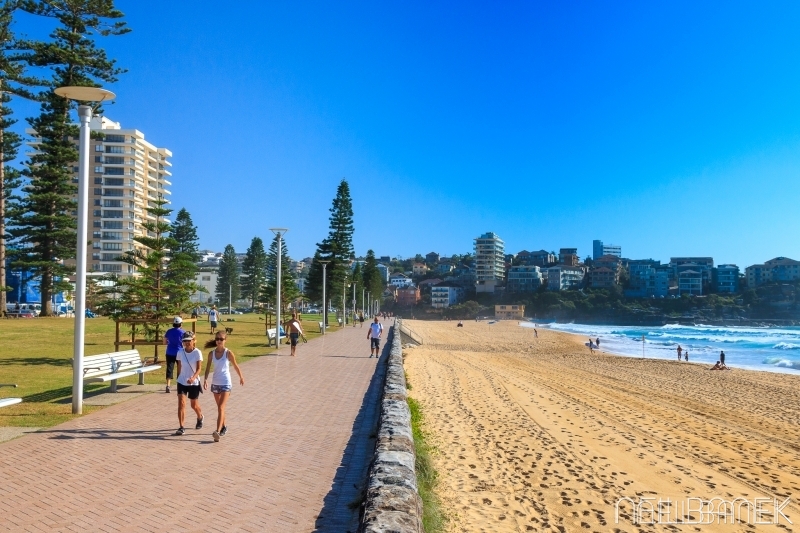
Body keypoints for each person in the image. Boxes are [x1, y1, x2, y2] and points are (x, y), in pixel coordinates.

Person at [203, 332, 244, 442]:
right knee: (220, 408)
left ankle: (217, 431)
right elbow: (207, 368)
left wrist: (241, 377)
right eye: (217, 339)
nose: (219, 341)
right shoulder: (211, 353)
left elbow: (235, 366)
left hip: (226, 383)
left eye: (221, 339)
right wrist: (205, 380)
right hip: (215, 383)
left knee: (221, 407)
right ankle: (224, 426)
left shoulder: (228, 353)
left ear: (225, 340)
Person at [175, 331, 204, 436]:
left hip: (193, 382)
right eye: (185, 341)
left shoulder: (197, 352)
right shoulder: (180, 352)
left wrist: (193, 378)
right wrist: (178, 378)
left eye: (189, 341)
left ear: (193, 341)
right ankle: (181, 427)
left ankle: (200, 416)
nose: (187, 343)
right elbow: (179, 366)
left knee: (194, 405)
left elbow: (199, 368)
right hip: (182, 381)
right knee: (181, 403)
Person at [162, 316, 185, 393]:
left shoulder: (169, 331)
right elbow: (185, 343)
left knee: (169, 368)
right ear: (180, 324)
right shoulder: (183, 332)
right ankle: (180, 385)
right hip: (179, 352)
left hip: (169, 352)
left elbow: (164, 342)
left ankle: (168, 385)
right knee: (180, 369)